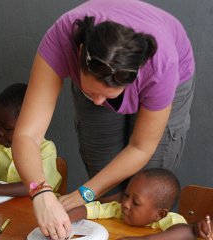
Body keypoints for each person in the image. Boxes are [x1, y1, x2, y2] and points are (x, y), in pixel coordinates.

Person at [12, 0, 195, 239]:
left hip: (168, 72)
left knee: (144, 194)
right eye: (91, 92)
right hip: (95, 61)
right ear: (78, 54)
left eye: (108, 95)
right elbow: (27, 134)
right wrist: (41, 194)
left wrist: (82, 194)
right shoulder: (60, 38)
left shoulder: (161, 65)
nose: (99, 103)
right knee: (104, 178)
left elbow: (141, 146)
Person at [0, 83, 61, 204]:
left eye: (7, 128)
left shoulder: (46, 149)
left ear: (30, 125)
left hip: (36, 210)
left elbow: (40, 187)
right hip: (1, 210)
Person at [68, 168, 197, 240]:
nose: (125, 204)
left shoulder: (170, 219)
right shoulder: (119, 209)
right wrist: (64, 219)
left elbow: (187, 233)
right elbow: (87, 210)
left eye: (135, 202)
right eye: (126, 195)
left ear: (159, 214)